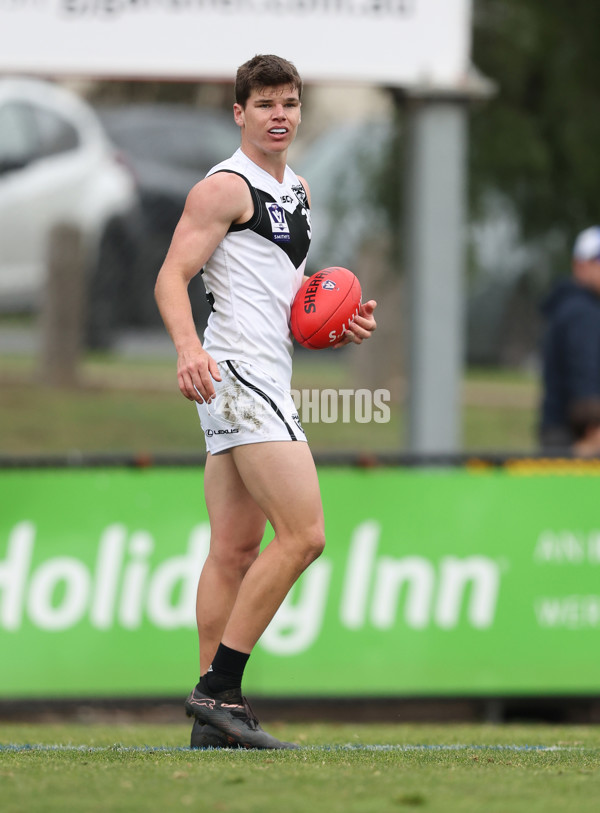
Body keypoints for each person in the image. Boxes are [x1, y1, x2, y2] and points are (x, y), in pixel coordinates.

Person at [154, 54, 377, 749]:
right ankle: (219, 687)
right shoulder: (224, 187)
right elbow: (170, 276)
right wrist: (189, 348)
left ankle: (210, 725)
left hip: (262, 373)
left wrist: (335, 325)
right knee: (305, 534)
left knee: (234, 548)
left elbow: (286, 301)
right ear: (239, 114)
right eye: (265, 104)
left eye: (290, 103)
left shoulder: (299, 189)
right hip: (238, 375)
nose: (279, 114)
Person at [539, 225, 600, 456]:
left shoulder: (569, 305)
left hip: (560, 431)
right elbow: (585, 373)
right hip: (578, 434)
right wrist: (593, 428)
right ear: (581, 265)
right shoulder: (583, 311)